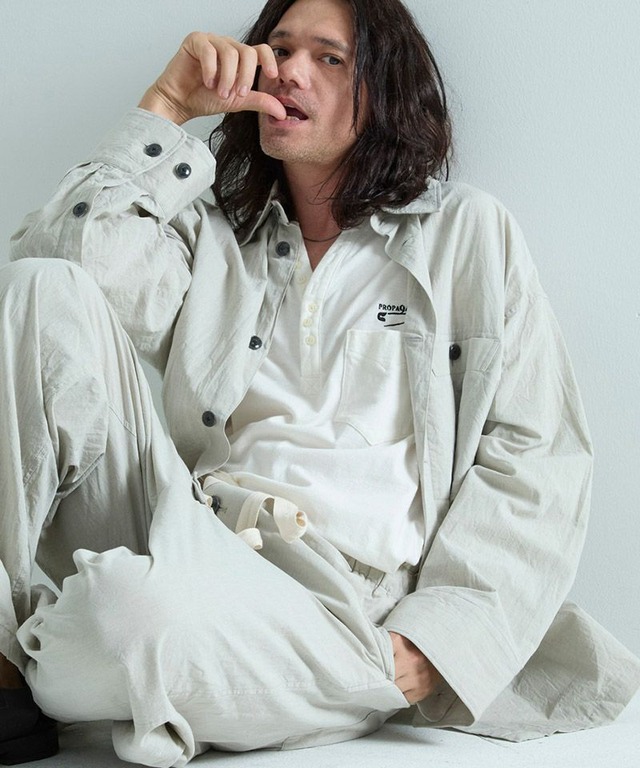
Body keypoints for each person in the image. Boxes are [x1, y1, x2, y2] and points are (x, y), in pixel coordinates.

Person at [1, 0, 639, 765]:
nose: (289, 72)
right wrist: (165, 106)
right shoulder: (211, 231)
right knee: (37, 285)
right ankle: (28, 655)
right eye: (279, 49)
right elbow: (67, 276)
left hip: (334, 593)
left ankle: (117, 651)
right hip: (190, 527)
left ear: (384, 91)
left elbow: (536, 453)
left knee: (119, 618)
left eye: (328, 58)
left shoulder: (466, 232)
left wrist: (440, 639)